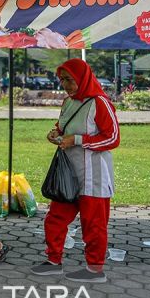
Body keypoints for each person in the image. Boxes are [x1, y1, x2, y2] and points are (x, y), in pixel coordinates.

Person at [31, 58, 119, 283]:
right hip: (69, 175)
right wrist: (55, 135)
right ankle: (53, 261)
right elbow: (62, 127)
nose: (65, 85)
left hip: (94, 176)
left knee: (94, 224)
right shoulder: (68, 102)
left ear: (82, 77)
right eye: (62, 80)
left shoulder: (100, 103)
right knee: (55, 218)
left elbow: (112, 137)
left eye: (69, 80)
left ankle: (94, 269)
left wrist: (77, 140)